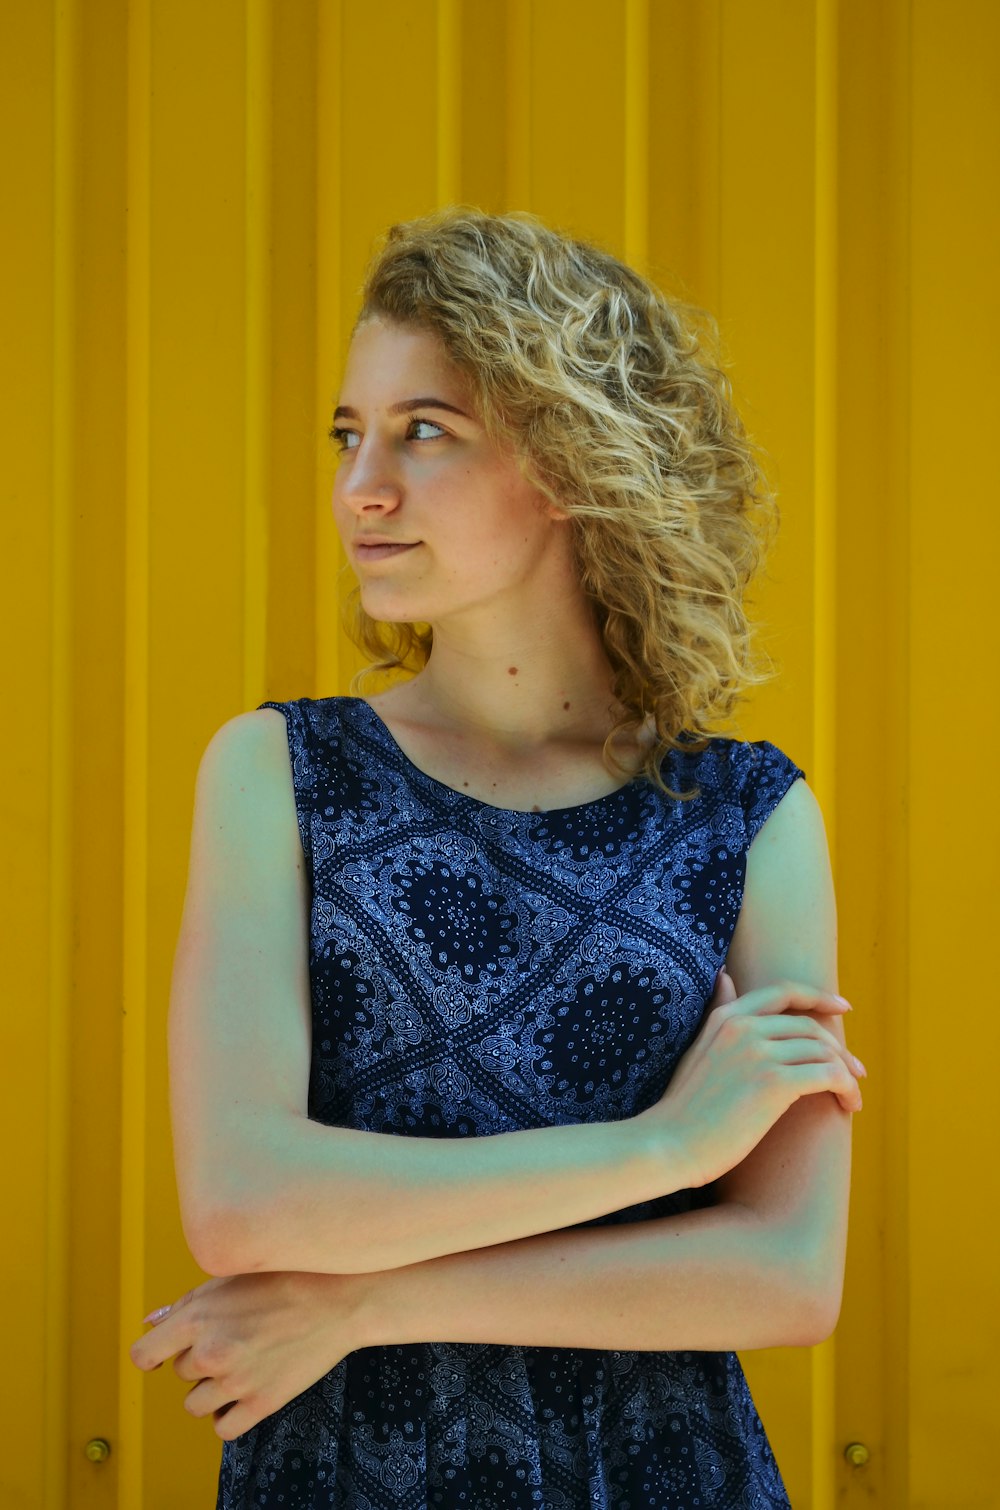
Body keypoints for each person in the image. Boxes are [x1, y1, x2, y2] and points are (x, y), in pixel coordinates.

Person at [130, 206, 864, 1509]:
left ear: (574, 459)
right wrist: (665, 1148)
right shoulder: (277, 772)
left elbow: (788, 1274)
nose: (363, 484)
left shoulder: (748, 813)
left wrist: (361, 1303)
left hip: (659, 1475)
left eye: (426, 431)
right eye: (350, 434)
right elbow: (246, 1200)